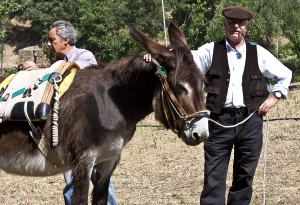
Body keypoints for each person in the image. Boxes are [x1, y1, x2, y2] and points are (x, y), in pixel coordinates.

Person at [144, 6, 292, 205]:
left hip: (250, 122)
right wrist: (161, 55)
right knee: (213, 177)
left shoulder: (259, 53)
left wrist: (273, 97)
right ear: (225, 24)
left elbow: (285, 74)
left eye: (240, 24)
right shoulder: (211, 50)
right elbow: (186, 58)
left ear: (247, 27)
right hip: (217, 122)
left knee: (244, 176)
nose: (236, 27)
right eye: (231, 22)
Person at [21, 20, 118, 205]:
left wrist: (41, 70)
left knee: (100, 179)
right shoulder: (56, 62)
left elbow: (73, 72)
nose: (49, 44)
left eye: (52, 39)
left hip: (91, 130)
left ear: (65, 40)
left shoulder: (84, 56)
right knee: (72, 178)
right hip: (69, 131)